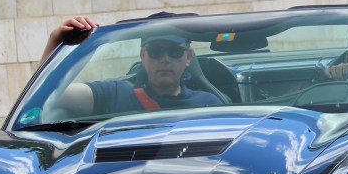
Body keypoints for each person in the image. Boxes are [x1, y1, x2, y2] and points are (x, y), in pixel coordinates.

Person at [53, 32, 222, 116]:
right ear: (143, 56)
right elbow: (52, 95)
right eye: (156, 51)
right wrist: (55, 40)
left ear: (188, 57)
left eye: (174, 52)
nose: (165, 59)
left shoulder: (208, 104)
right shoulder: (114, 94)